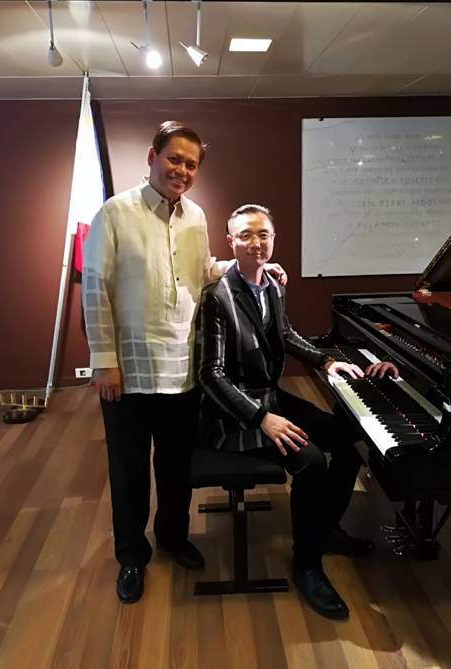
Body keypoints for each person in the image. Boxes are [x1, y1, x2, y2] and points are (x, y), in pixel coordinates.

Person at [81, 122, 287, 604]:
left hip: (183, 368)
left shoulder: (195, 216)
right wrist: (103, 362)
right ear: (152, 157)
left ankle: (173, 536)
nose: (182, 170)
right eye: (174, 159)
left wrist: (248, 265)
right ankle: (132, 555)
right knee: (130, 470)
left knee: (176, 466)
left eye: (191, 164)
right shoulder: (115, 213)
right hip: (130, 372)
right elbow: (95, 288)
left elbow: (201, 270)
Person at [196, 204, 398, 620]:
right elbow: (210, 375)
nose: (256, 243)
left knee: (348, 441)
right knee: (310, 461)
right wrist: (262, 419)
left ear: (274, 238)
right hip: (236, 414)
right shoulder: (217, 297)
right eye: (246, 235)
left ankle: (325, 531)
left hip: (270, 397)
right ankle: (307, 564)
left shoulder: (272, 284)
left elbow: (285, 334)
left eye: (264, 234)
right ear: (230, 242)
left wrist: (326, 361)